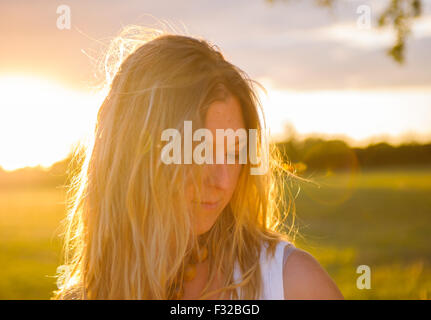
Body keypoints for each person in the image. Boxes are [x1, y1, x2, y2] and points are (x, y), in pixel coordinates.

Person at [52, 27, 343, 300]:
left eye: (233, 154)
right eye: (197, 152)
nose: (222, 181)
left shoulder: (291, 283)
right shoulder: (91, 292)